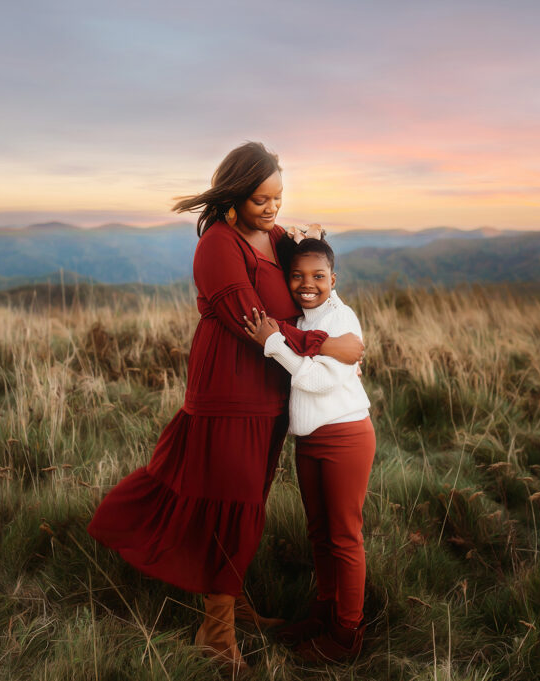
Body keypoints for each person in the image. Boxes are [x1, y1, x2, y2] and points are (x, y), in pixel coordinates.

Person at [87, 142, 365, 675]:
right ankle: (216, 634)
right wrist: (329, 344)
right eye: (261, 198)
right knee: (231, 503)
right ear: (234, 196)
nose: (272, 208)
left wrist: (313, 241)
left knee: (249, 501)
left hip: (271, 391)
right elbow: (251, 320)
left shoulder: (274, 237)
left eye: (278, 197)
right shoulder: (218, 243)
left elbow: (308, 268)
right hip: (229, 390)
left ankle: (233, 602)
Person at [244, 236, 376, 663]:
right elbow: (304, 360)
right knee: (319, 534)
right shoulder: (299, 321)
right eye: (297, 276)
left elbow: (318, 381)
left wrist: (273, 345)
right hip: (310, 440)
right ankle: (324, 612)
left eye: (318, 276)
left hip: (346, 438)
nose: (308, 284)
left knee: (344, 537)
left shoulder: (343, 321)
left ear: (333, 280)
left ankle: (346, 634)